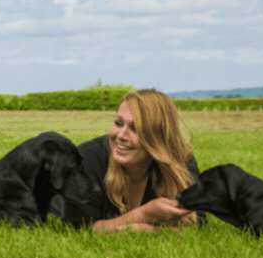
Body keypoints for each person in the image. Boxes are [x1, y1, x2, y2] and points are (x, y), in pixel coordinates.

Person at [60, 89, 204, 232]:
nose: (121, 135)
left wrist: (154, 231)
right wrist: (143, 215)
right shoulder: (87, 159)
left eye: (135, 129)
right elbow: (79, 228)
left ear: (157, 138)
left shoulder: (180, 159)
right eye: (118, 123)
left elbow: (197, 219)